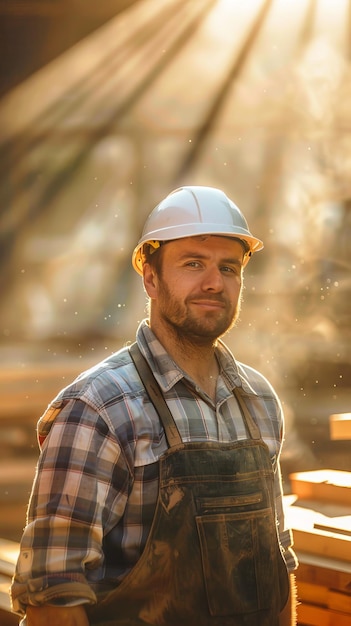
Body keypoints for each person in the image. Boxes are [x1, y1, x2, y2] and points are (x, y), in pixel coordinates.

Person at [11, 186, 298, 626]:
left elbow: (276, 561)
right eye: (193, 264)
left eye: (229, 267)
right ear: (150, 277)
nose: (214, 282)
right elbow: (53, 594)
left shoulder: (258, 402)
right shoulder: (100, 409)